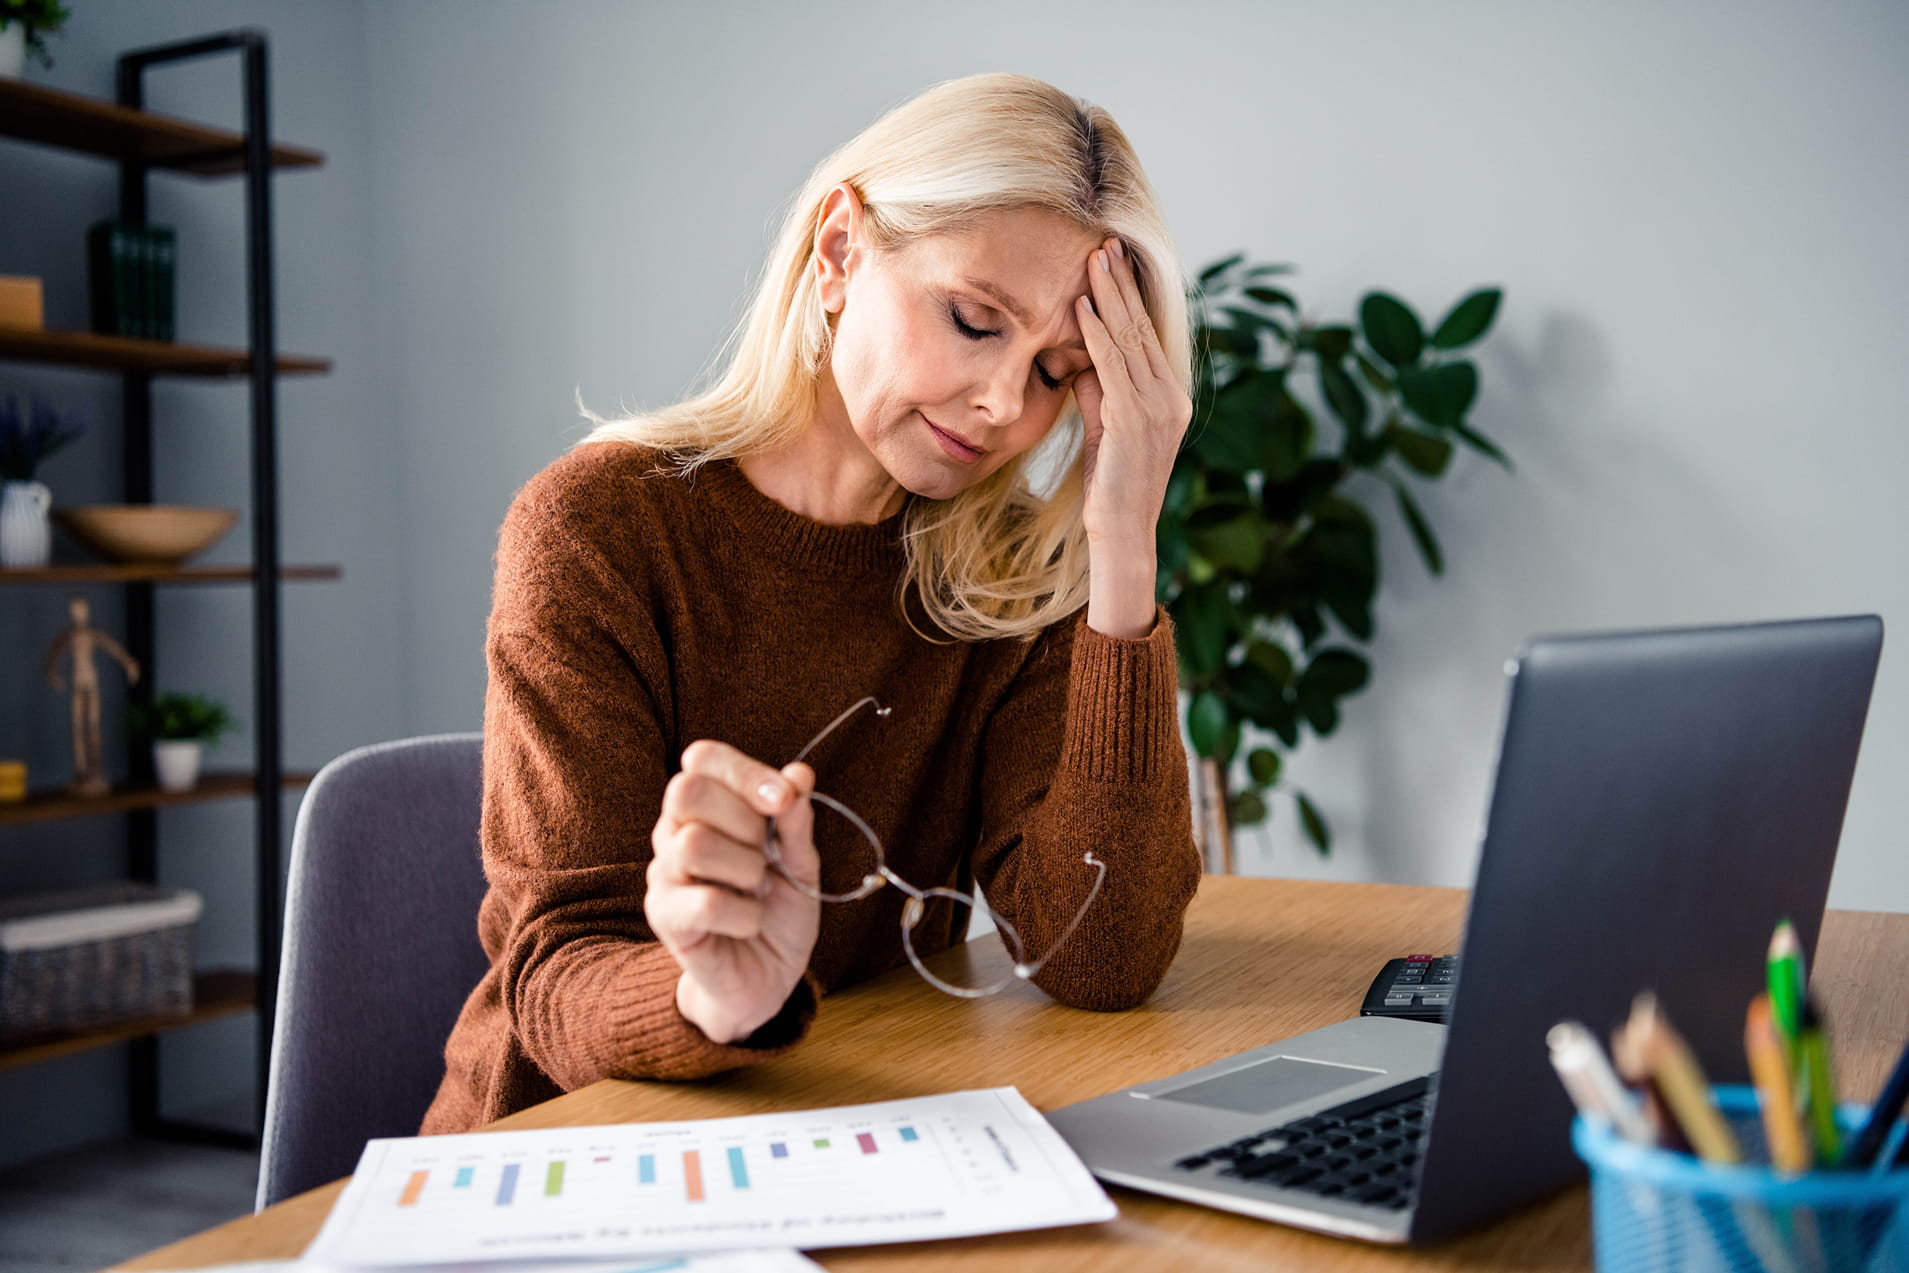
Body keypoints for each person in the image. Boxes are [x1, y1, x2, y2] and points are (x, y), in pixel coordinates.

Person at [422, 72, 1204, 1135]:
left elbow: (1101, 961)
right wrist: (713, 996)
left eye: (1059, 373)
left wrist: (1121, 550)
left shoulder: (1014, 579)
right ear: (840, 250)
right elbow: (555, 968)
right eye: (975, 321)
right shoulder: (599, 530)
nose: (1004, 404)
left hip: (847, 1127)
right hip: (573, 1146)